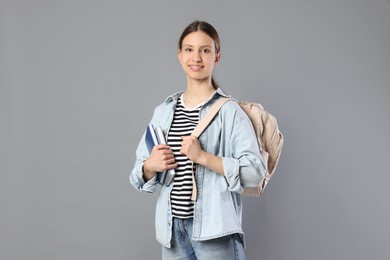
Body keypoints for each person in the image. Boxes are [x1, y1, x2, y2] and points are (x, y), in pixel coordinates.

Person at [130, 20, 267, 260]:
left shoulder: (229, 112)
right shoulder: (163, 111)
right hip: (172, 234)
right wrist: (150, 166)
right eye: (189, 49)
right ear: (180, 55)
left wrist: (203, 157)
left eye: (205, 50)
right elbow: (136, 176)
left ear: (217, 57)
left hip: (216, 233)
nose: (197, 57)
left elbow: (256, 172)